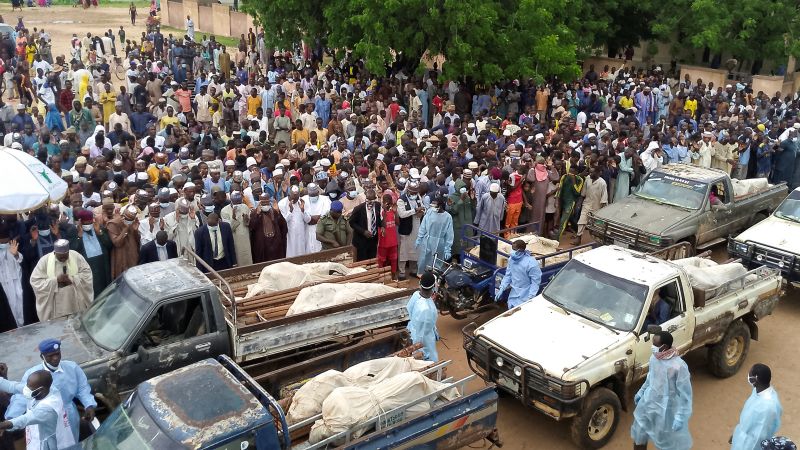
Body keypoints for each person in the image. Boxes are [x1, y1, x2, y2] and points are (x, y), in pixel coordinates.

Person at [7, 339, 96, 443]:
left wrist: (89, 405)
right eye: (51, 356)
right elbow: (21, 397)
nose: (55, 358)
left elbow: (83, 388)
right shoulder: (33, 375)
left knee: (71, 440)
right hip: (46, 418)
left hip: (69, 415)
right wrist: (11, 419)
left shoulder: (72, 367)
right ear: (42, 356)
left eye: (57, 354)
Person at [631, 331, 693, 450]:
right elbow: (651, 378)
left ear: (664, 347)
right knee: (639, 433)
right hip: (648, 401)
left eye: (655, 344)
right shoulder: (654, 358)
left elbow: (686, 395)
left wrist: (680, 417)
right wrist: (641, 391)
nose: (652, 347)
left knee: (664, 441)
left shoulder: (678, 366)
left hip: (666, 409)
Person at [0, 369, 75, 450]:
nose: (26, 389)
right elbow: (13, 386)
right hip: (36, 436)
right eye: (27, 385)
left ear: (41, 389)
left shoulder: (48, 408)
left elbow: (24, 419)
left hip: (50, 445)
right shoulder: (42, 389)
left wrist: (3, 425)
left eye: (29, 387)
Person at [29, 239, 93, 321]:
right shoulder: (45, 261)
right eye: (60, 256)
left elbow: (87, 274)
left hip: (75, 304)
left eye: (65, 256)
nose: (63, 259)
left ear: (68, 252)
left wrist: (72, 279)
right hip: (57, 309)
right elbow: (35, 281)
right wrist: (55, 281)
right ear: (55, 253)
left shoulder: (76, 256)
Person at [731, 363, 783, 450]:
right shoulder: (758, 390)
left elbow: (759, 438)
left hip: (749, 445)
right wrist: (737, 436)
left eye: (750, 374)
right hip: (742, 439)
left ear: (756, 379)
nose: (748, 376)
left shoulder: (767, 408)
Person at [73, 210, 112, 297]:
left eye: (89, 223)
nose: (88, 225)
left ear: (93, 220)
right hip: (87, 267)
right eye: (85, 224)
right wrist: (79, 236)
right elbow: (74, 250)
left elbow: (109, 245)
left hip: (102, 265)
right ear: (80, 222)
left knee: (104, 291)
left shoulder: (100, 228)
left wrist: (100, 233)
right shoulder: (74, 232)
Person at [415, 194, 454, 277]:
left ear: (440, 206)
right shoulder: (429, 212)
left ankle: (434, 279)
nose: (433, 208)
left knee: (436, 264)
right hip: (427, 240)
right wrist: (419, 238)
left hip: (439, 243)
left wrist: (447, 248)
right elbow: (423, 226)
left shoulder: (448, 217)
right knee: (423, 260)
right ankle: (421, 276)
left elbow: (449, 234)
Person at [497, 239, 542, 308]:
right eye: (512, 249)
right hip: (514, 293)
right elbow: (508, 275)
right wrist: (502, 288)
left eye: (514, 249)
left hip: (525, 294)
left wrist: (530, 297)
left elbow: (535, 282)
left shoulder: (531, 263)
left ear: (520, 250)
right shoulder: (511, 260)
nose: (512, 252)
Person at [406, 272, 439, 361]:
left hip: (412, 330)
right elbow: (421, 334)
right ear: (433, 287)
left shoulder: (416, 294)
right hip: (424, 339)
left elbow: (409, 309)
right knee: (430, 358)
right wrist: (418, 349)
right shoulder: (427, 309)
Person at [249, 192, 288, 263]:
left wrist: (278, 212)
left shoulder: (274, 211)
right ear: (260, 203)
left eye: (267, 203)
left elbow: (283, 227)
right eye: (263, 203)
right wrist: (257, 214)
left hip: (275, 247)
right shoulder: (255, 213)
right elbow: (251, 227)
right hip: (262, 248)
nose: (265, 205)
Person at [574, 167, 607, 245]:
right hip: (587, 204)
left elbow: (604, 198)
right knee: (582, 221)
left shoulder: (602, 183)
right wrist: (579, 204)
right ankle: (578, 237)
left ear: (597, 173)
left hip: (598, 206)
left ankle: (599, 240)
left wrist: (602, 209)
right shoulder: (588, 179)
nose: (590, 174)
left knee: (598, 224)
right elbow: (583, 193)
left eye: (592, 172)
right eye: (589, 172)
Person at [106, 205, 140, 278]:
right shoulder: (113, 224)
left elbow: (137, 242)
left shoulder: (132, 223)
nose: (128, 221)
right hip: (121, 256)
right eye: (127, 219)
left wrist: (135, 230)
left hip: (132, 255)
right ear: (122, 215)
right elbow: (117, 243)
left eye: (131, 220)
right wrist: (125, 229)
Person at [348, 187, 381, 261]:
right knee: (363, 262)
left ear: (375, 198)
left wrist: (382, 227)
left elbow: (379, 220)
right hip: (361, 240)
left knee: (372, 261)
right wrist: (363, 231)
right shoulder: (358, 209)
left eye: (371, 200)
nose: (369, 202)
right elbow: (351, 222)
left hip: (373, 240)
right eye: (367, 200)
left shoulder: (378, 206)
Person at [221, 191, 253, 266]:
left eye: (239, 202)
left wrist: (247, 220)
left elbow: (248, 224)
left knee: (247, 258)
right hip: (234, 239)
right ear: (231, 201)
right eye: (236, 203)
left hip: (245, 238)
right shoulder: (224, 211)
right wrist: (234, 218)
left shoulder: (245, 207)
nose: (238, 205)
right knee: (237, 259)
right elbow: (228, 229)